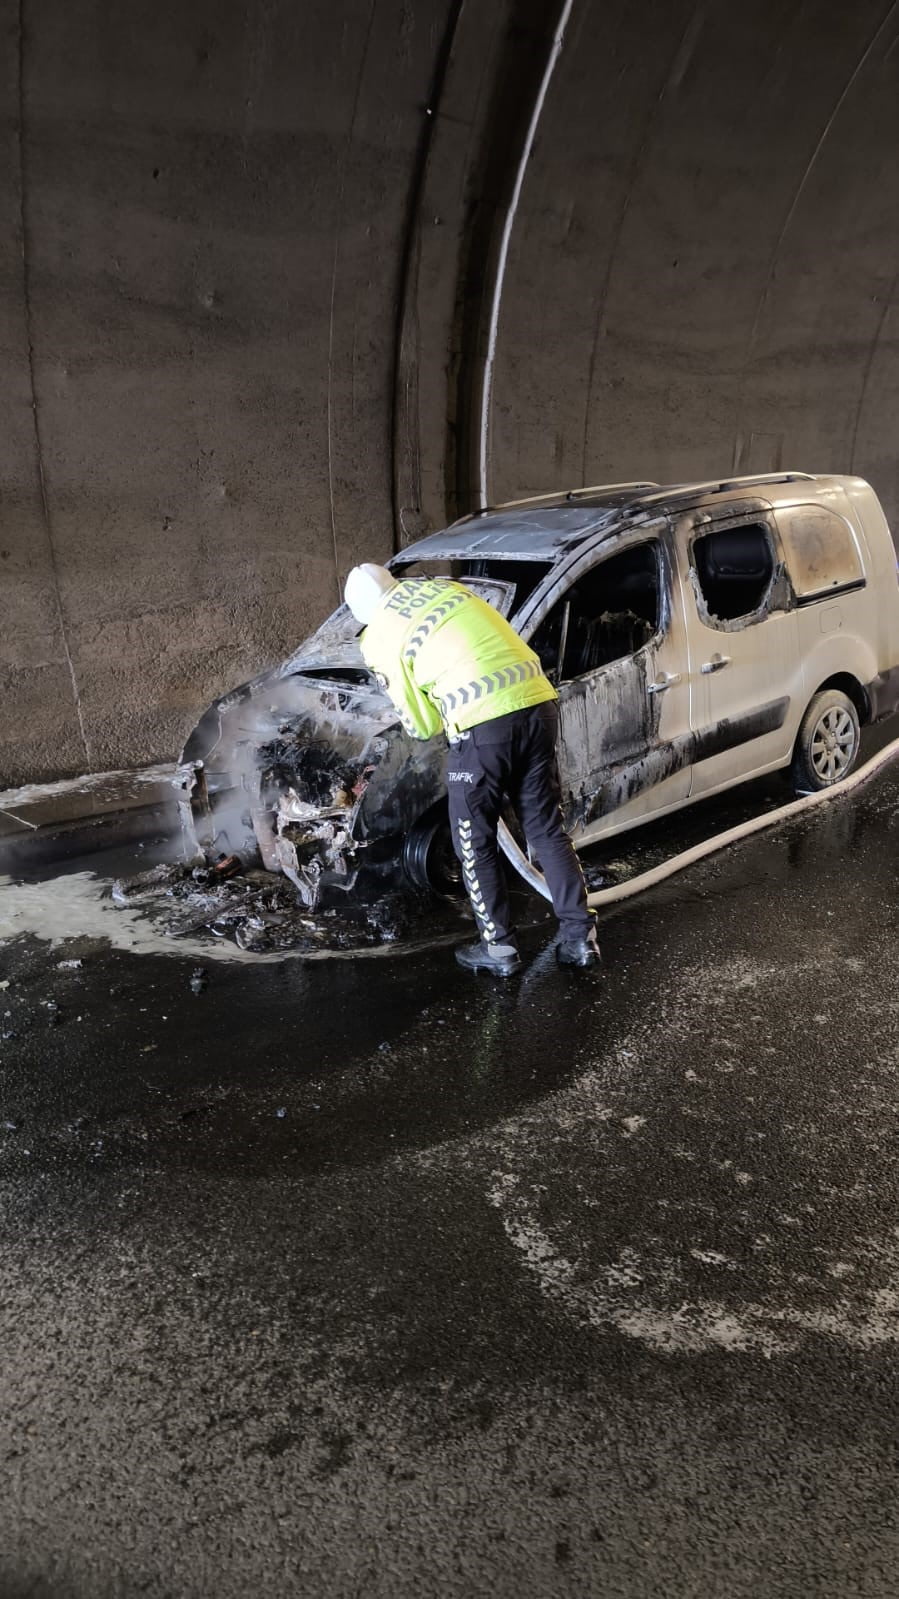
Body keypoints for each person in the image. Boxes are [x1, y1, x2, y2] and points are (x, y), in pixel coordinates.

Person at [343, 562, 601, 975]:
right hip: (538, 703)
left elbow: (422, 724)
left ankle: (498, 950)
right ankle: (580, 939)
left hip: (483, 724)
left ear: (361, 613)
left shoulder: (379, 637)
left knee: (472, 839)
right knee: (546, 827)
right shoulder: (446, 590)